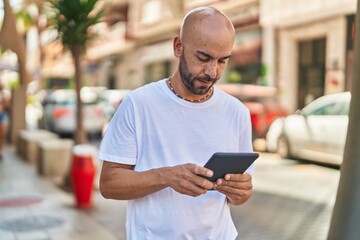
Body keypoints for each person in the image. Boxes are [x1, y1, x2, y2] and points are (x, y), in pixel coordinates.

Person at [99, 6, 254, 239]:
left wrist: (240, 192)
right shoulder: (138, 104)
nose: (212, 71)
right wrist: (166, 176)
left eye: (223, 61)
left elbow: (241, 195)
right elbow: (109, 185)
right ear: (178, 47)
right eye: (203, 58)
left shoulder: (237, 113)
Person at [0, 83, 9, 159]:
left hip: (2, 116)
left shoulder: (3, 95)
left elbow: (7, 105)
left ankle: (0, 151)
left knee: (2, 135)